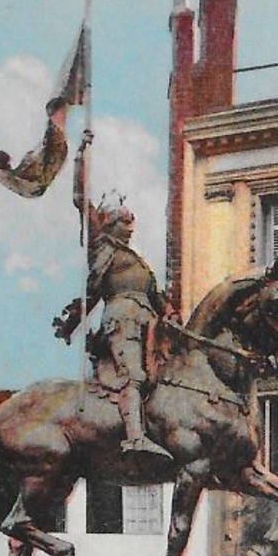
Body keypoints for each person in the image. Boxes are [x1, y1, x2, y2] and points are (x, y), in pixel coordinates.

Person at [53, 129, 172, 461]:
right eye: (125, 220)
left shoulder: (138, 262)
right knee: (132, 375)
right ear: (109, 222)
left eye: (132, 221)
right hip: (122, 321)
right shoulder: (101, 245)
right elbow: (80, 196)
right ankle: (135, 437)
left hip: (150, 326)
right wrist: (81, 154)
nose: (132, 227)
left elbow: (159, 297)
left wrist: (172, 313)